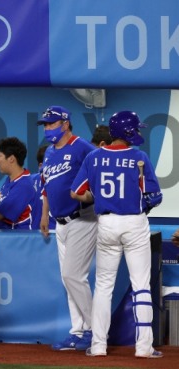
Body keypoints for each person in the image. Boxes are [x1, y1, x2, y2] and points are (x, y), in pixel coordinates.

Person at [70, 111, 163, 358]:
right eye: (137, 129)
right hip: (134, 222)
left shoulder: (94, 157)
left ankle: (98, 346)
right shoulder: (139, 157)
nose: (139, 133)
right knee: (141, 285)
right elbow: (154, 197)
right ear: (129, 132)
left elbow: (76, 192)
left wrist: (100, 196)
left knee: (103, 287)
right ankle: (144, 348)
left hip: (106, 223)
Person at [37, 105, 97, 351]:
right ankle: (78, 330)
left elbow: (101, 173)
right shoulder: (50, 152)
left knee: (73, 276)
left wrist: (94, 197)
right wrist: (44, 214)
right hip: (59, 222)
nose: (48, 128)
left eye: (51, 123)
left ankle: (95, 329)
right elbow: (47, 184)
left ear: (65, 123)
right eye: (46, 124)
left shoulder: (82, 147)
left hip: (82, 218)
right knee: (68, 279)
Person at [30, 145, 55, 230]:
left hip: (57, 234)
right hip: (33, 236)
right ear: (41, 166)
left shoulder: (63, 183)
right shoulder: (28, 182)